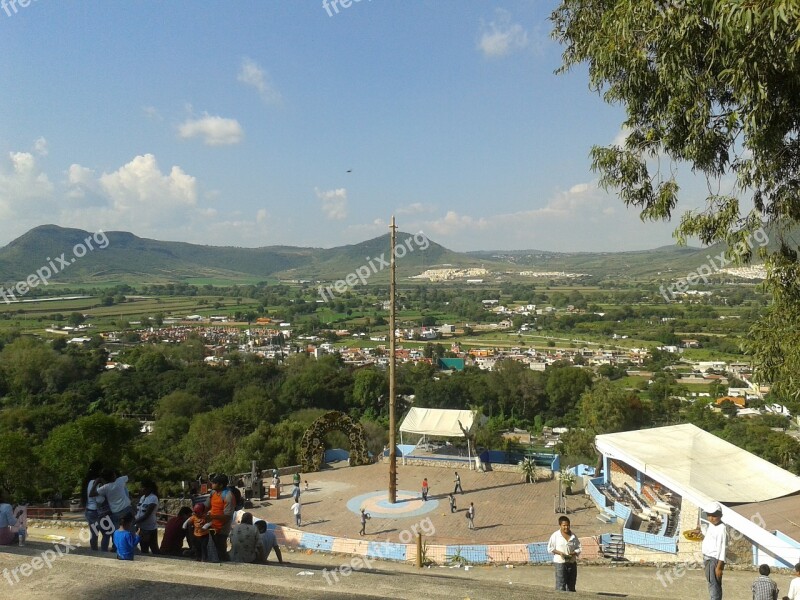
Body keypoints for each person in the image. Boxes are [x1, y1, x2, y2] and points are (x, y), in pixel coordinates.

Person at [93, 468, 133, 551]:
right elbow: (130, 474)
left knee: (118, 532)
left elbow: (91, 494)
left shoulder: (105, 487)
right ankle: (130, 548)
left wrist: (96, 482)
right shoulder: (120, 480)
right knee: (130, 530)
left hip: (116, 513)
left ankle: (119, 549)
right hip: (127, 509)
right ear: (113, 475)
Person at [695, 502, 727, 600]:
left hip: (714, 560)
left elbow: (723, 549)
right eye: (709, 515)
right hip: (707, 559)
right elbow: (708, 533)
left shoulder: (722, 528)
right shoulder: (712, 525)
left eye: (714, 515)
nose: (711, 518)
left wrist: (719, 567)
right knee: (711, 583)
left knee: (714, 586)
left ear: (720, 515)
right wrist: (700, 530)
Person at [547, 515, 582, 592]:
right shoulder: (555, 535)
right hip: (560, 563)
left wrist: (573, 553)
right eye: (564, 525)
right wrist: (560, 553)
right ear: (560, 525)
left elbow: (579, 548)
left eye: (568, 525)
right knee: (560, 585)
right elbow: (550, 548)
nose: (566, 527)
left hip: (572, 562)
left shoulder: (573, 536)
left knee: (571, 585)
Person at [82, 461, 111, 552]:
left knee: (94, 534)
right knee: (106, 533)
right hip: (98, 511)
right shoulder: (98, 482)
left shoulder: (88, 482)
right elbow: (99, 499)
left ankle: (94, 551)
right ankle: (104, 551)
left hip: (89, 510)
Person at [205, 474, 234, 561]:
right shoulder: (213, 493)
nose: (212, 484)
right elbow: (206, 506)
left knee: (220, 551)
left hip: (222, 529)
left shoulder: (228, 496)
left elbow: (227, 516)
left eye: (214, 483)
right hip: (211, 526)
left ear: (221, 485)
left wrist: (212, 517)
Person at [134, 479, 160, 554]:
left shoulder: (153, 498)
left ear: (149, 488)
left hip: (149, 528)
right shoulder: (142, 497)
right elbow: (138, 511)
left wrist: (134, 522)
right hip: (141, 527)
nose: (141, 489)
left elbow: (147, 515)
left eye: (142, 487)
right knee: (144, 548)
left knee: (154, 549)